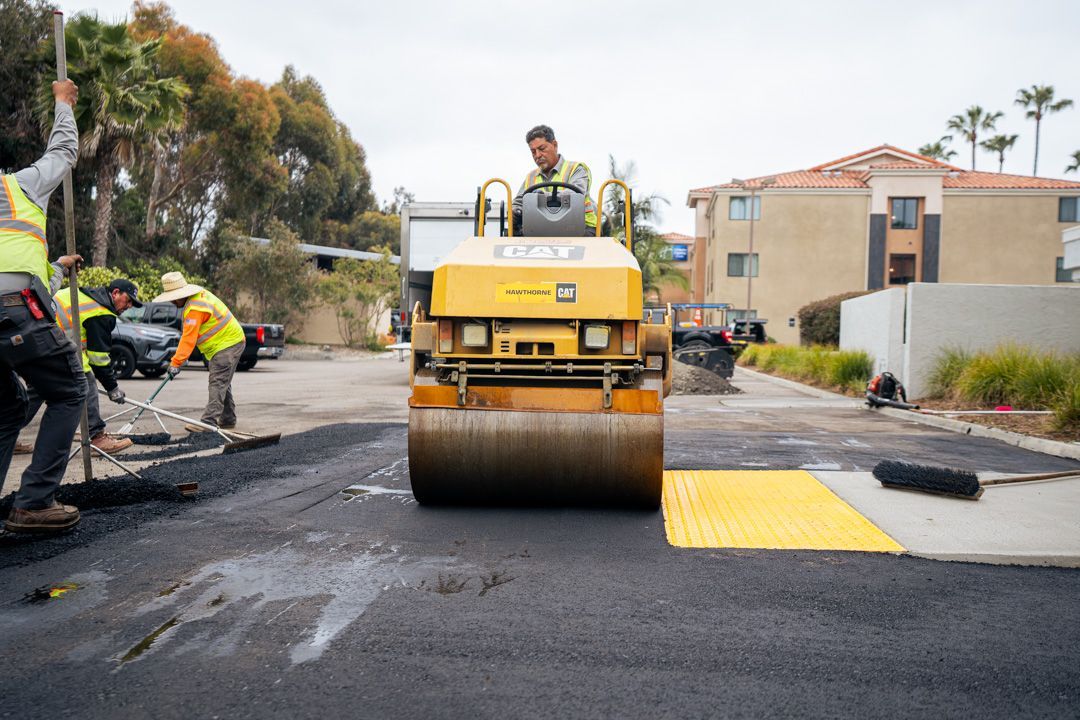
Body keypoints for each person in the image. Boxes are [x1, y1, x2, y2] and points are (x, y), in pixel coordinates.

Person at [0, 80, 93, 533]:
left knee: (6, 408)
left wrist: (56, 267)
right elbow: (63, 152)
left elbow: (19, 271)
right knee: (70, 390)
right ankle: (34, 502)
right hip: (15, 307)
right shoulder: (18, 186)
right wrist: (62, 102)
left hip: (17, 301)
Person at [20, 278, 143, 455]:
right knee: (86, 382)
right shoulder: (100, 312)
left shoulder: (86, 296)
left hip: (32, 336)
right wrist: (112, 388)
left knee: (36, 391)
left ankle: (6, 431)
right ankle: (97, 436)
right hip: (50, 340)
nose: (129, 306)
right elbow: (98, 359)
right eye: (128, 300)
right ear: (115, 293)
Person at [153, 272, 246, 432]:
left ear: (180, 295)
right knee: (223, 382)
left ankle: (208, 422)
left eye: (173, 298)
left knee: (217, 382)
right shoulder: (198, 298)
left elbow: (188, 339)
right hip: (228, 342)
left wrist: (176, 363)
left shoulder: (195, 308)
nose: (172, 301)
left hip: (227, 344)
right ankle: (228, 418)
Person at [512, 124, 598, 236]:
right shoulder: (530, 177)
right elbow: (518, 202)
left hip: (580, 228)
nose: (537, 155)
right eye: (533, 151)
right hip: (539, 229)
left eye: (542, 149)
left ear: (555, 145)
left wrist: (539, 197)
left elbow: (576, 195)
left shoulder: (576, 169)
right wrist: (514, 211)